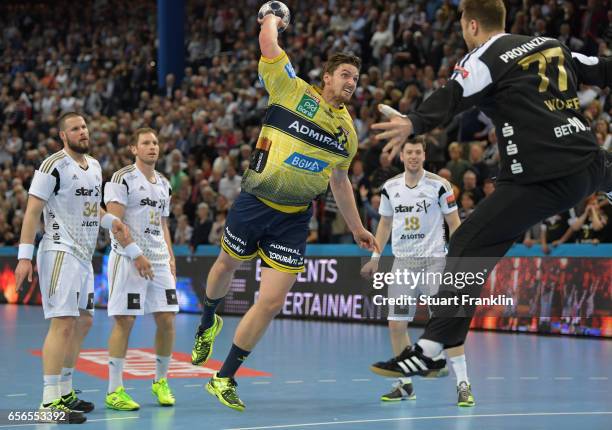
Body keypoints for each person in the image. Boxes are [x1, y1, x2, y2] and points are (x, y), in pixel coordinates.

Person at [370, 0, 612, 377]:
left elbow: (454, 94)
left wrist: (413, 121)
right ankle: (433, 348)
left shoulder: (486, 55)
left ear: (470, 26)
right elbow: (602, 69)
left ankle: (431, 350)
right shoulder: (550, 44)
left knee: (467, 249)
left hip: (540, 178)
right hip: (589, 162)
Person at [190, 11, 378, 411]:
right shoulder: (290, 89)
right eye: (345, 74)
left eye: (355, 78)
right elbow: (268, 46)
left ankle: (223, 378)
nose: (351, 82)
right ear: (326, 77)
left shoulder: (347, 134)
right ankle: (208, 319)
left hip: (293, 219)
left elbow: (340, 182)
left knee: (272, 302)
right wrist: (272, 18)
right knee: (225, 265)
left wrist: (358, 227)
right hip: (255, 202)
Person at [14, 112, 129, 423]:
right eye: (75, 128)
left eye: (84, 127)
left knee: (84, 322)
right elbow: (32, 210)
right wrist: (24, 257)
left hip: (83, 254)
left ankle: (64, 391)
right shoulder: (52, 165)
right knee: (63, 323)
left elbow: (94, 209)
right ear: (63, 136)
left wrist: (113, 222)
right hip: (59, 252)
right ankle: (49, 403)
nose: (82, 132)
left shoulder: (93, 166)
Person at [361, 139, 473, 407]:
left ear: (424, 155)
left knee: (446, 324)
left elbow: (454, 223)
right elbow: (385, 224)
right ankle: (405, 385)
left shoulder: (440, 186)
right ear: (401, 155)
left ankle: (463, 385)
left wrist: (459, 262)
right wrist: (376, 257)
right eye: (409, 152)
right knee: (397, 324)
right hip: (403, 265)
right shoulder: (390, 188)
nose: (413, 156)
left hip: (435, 262)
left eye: (418, 152)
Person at [103, 128, 178, 410]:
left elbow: (163, 224)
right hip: (128, 258)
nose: (152, 147)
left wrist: (170, 256)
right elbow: (114, 221)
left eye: (156, 142)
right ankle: (114, 390)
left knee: (167, 319)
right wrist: (136, 253)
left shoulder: (164, 184)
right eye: (145, 143)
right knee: (125, 321)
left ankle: (160, 381)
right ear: (134, 149)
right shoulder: (122, 178)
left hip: (158, 259)